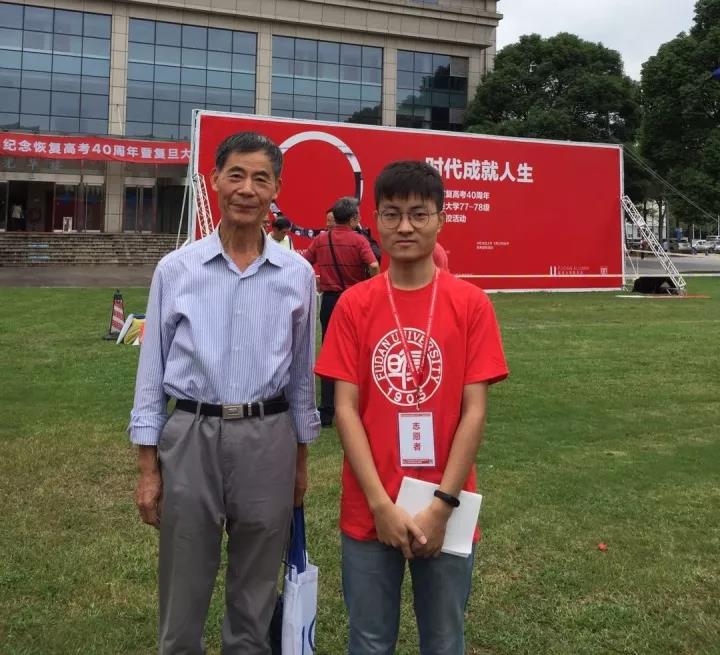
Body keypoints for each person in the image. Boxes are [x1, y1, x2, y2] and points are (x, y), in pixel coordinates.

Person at [129, 131, 320, 655]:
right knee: (183, 579)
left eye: (261, 179)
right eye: (236, 175)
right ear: (215, 180)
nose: (247, 189)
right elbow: (151, 373)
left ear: (276, 189)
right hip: (191, 434)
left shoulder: (297, 275)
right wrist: (148, 468)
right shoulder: (177, 269)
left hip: (268, 437)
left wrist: (300, 461)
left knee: (256, 586)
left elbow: (302, 379)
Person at [315, 160, 508, 655]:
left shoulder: (471, 304)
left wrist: (442, 505)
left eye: (419, 214)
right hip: (369, 506)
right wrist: (381, 505)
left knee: (444, 639)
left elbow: (474, 412)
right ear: (375, 222)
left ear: (440, 219)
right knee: (369, 639)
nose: (405, 227)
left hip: (448, 502)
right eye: (392, 214)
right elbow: (345, 410)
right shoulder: (354, 305)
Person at [304, 196, 380, 427]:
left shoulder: (321, 239)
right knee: (360, 352)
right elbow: (374, 265)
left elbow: (305, 263)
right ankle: (360, 406)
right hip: (355, 300)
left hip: (329, 301)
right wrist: (370, 288)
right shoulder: (359, 240)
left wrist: (318, 281)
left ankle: (327, 411)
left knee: (330, 354)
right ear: (353, 218)